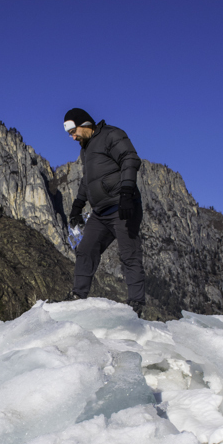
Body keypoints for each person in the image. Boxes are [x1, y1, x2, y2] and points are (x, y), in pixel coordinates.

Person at [63, 107, 145, 316]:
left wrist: (126, 192)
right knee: (85, 250)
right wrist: (77, 207)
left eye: (73, 132)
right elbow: (87, 181)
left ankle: (136, 304)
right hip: (100, 213)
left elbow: (130, 159)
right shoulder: (86, 149)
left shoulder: (111, 134)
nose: (72, 138)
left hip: (123, 206)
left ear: (85, 124)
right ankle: (77, 297)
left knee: (129, 254)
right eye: (70, 134)